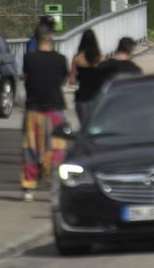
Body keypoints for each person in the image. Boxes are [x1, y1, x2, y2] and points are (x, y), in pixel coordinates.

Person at [20, 25, 69, 201]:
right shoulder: (61, 59)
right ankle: (56, 185)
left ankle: (29, 187)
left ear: (36, 39)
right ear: (52, 38)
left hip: (34, 110)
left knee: (31, 150)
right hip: (55, 111)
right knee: (57, 151)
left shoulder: (28, 58)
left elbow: (25, 78)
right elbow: (62, 80)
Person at [70, 29, 103, 123]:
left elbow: (72, 81)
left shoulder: (77, 58)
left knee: (84, 127)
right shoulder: (101, 57)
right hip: (98, 97)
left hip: (82, 98)